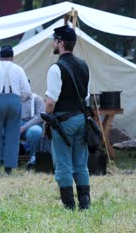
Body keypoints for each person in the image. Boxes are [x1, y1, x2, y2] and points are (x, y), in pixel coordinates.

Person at [44, 25, 90, 210]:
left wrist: (46, 118)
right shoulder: (84, 65)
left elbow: (50, 102)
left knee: (63, 164)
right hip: (81, 119)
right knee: (81, 164)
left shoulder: (56, 68)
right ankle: (85, 203)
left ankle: (69, 205)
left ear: (61, 43)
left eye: (55, 40)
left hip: (63, 122)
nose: (53, 43)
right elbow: (86, 96)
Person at [0, 45, 31, 174]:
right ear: (12, 57)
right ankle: (9, 167)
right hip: (15, 101)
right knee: (13, 135)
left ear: (0, 57)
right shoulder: (19, 69)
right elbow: (26, 91)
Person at [20, 92, 44, 168]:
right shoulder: (14, 98)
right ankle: (3, 159)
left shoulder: (37, 99)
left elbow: (39, 117)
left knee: (35, 131)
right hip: (15, 125)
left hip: (31, 125)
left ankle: (33, 159)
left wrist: (23, 127)